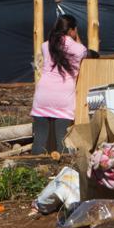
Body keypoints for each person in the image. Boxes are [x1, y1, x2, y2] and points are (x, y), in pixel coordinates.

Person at [31, 15, 88, 154]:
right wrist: (76, 38)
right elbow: (87, 53)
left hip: (43, 95)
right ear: (72, 30)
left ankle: (33, 166)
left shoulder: (45, 45)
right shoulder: (79, 49)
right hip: (63, 97)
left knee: (39, 140)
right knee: (62, 141)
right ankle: (63, 167)